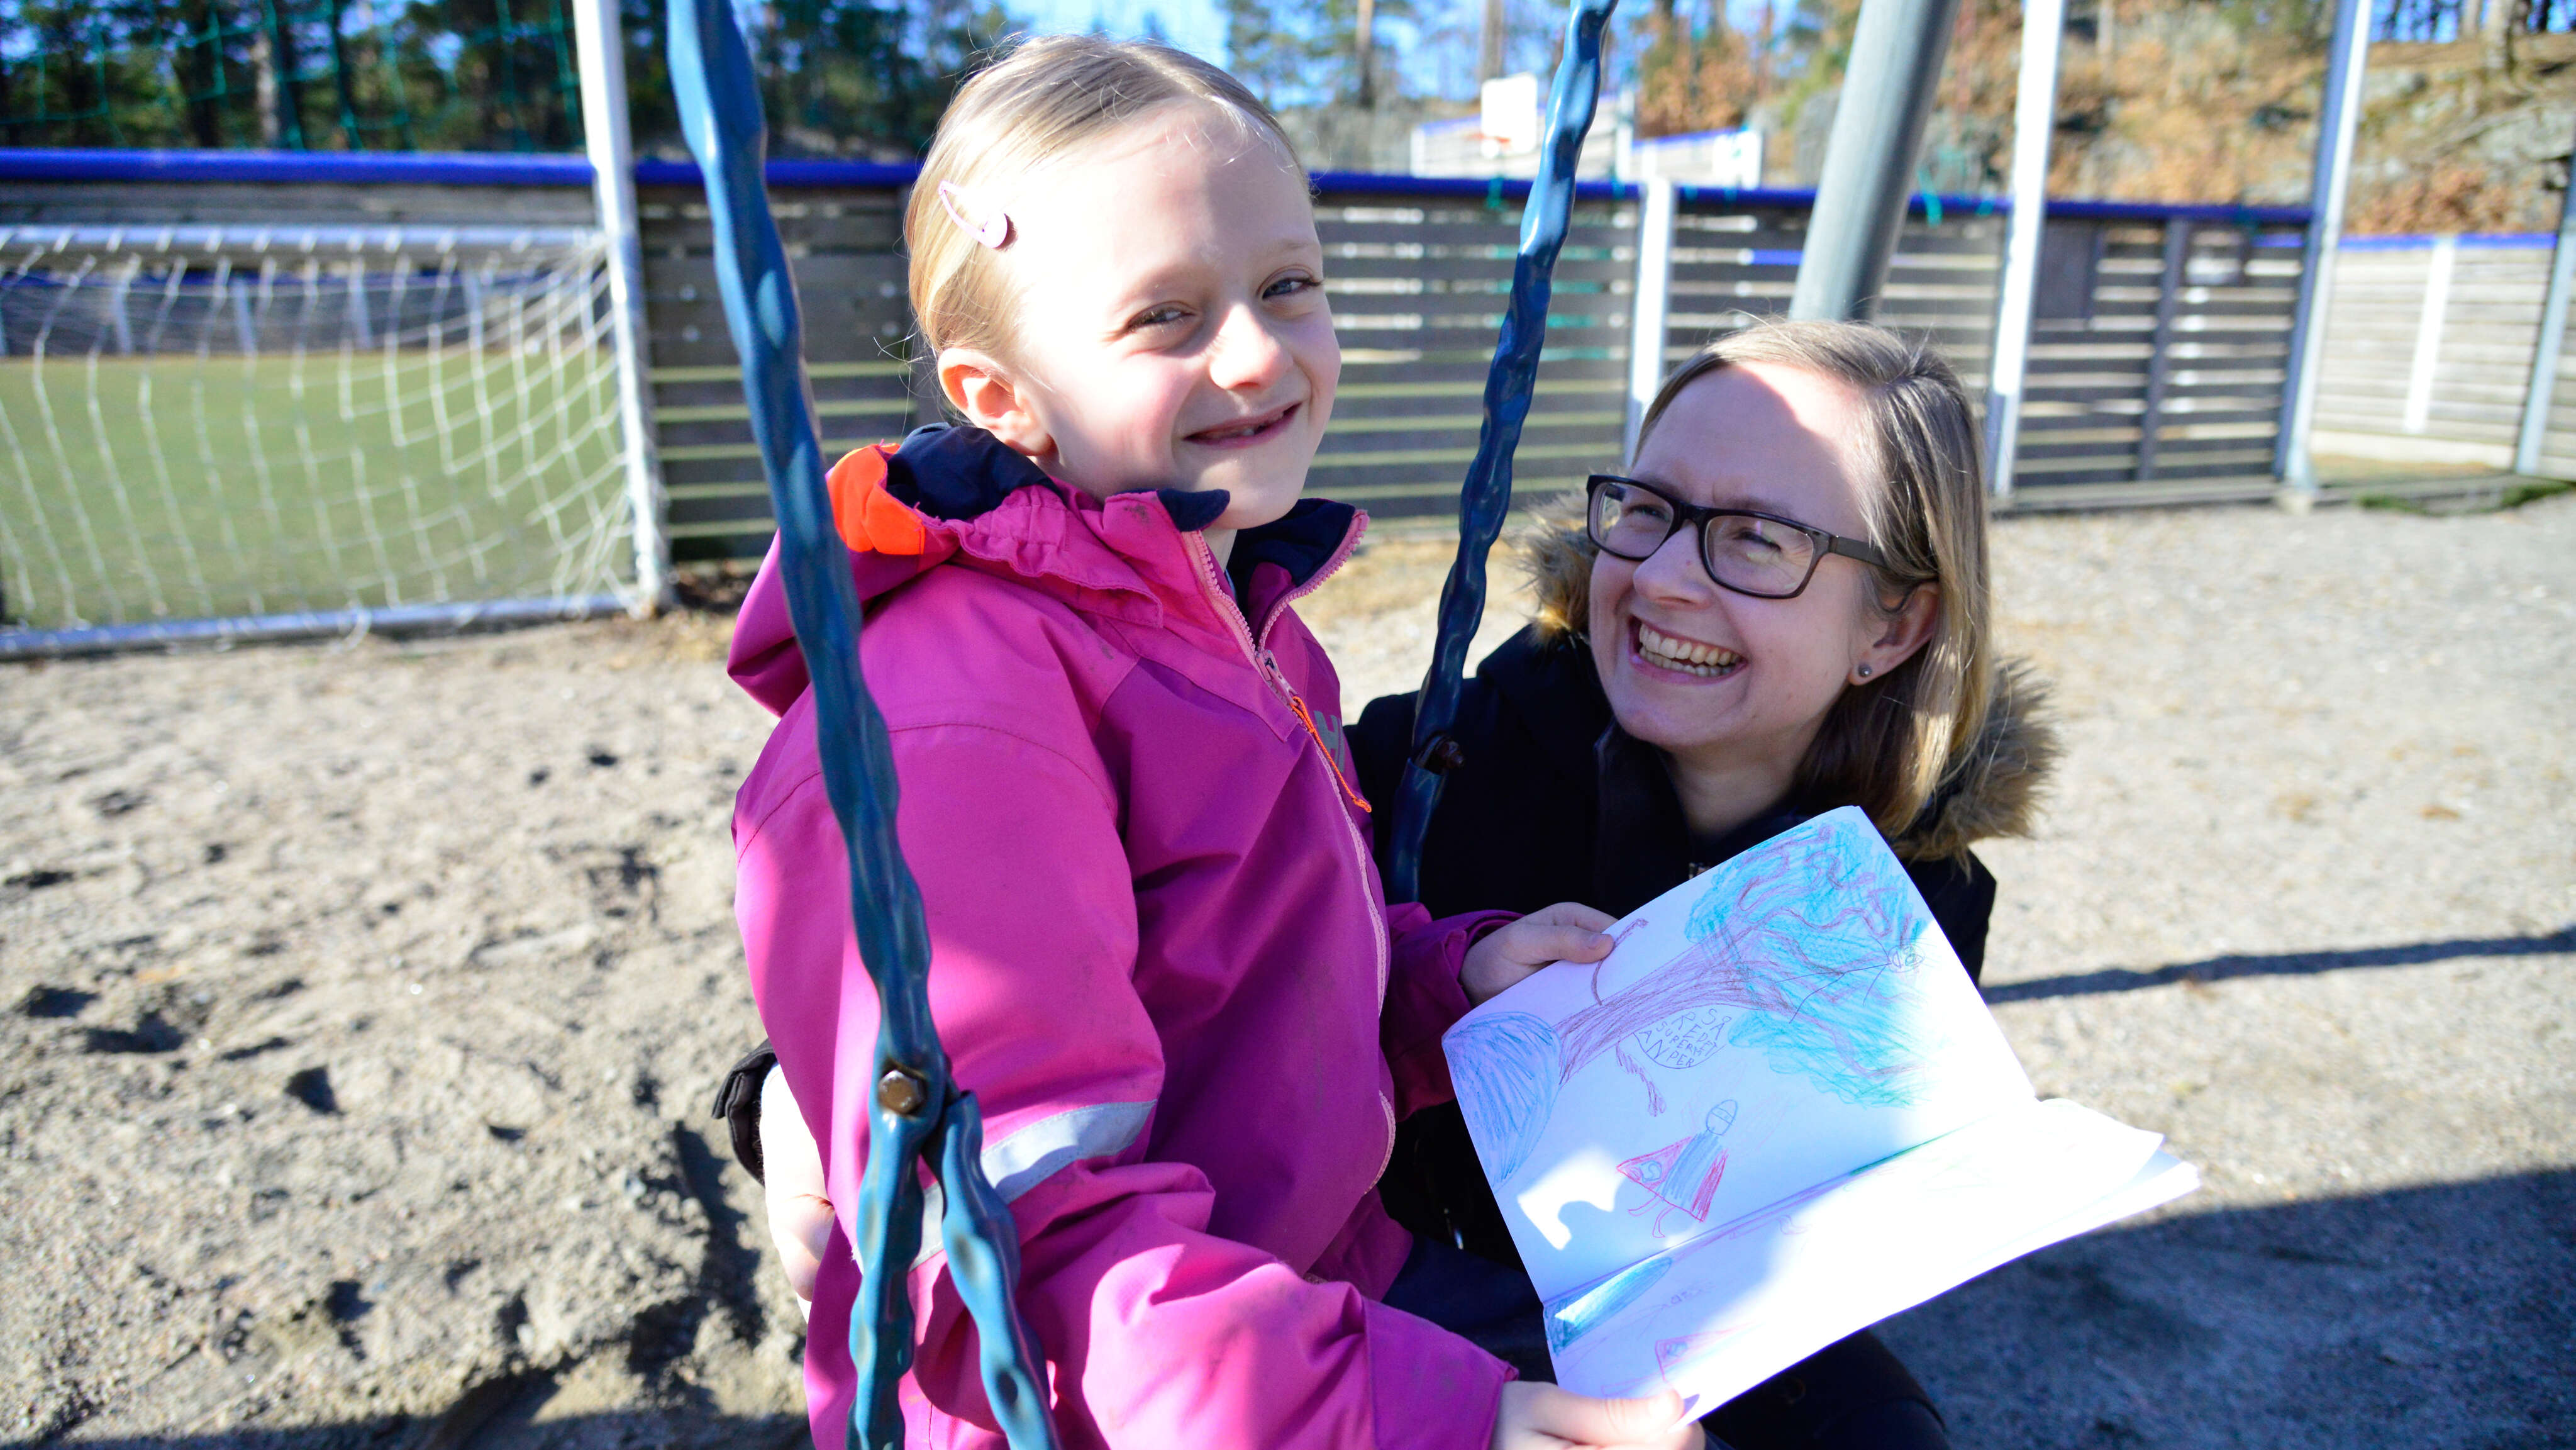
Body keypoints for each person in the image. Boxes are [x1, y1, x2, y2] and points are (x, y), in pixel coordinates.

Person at [723, 35, 1704, 1450]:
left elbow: (1243, 986)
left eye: (1288, 284)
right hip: (1115, 1390)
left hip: (1307, 1273)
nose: (1257, 352)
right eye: (1166, 314)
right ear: (998, 396)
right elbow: (1026, 1258)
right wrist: (1438, 1416)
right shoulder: (958, 717)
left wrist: (1449, 983)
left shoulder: (1227, 615)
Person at [1348, 319, 2058, 1450]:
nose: (1663, 579)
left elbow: (1817, 1240)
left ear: (1895, 623)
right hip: (1395, 1306)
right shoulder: (1423, 773)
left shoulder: (1910, 893)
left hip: (1707, 1320)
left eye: (1758, 539)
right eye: (1648, 509)